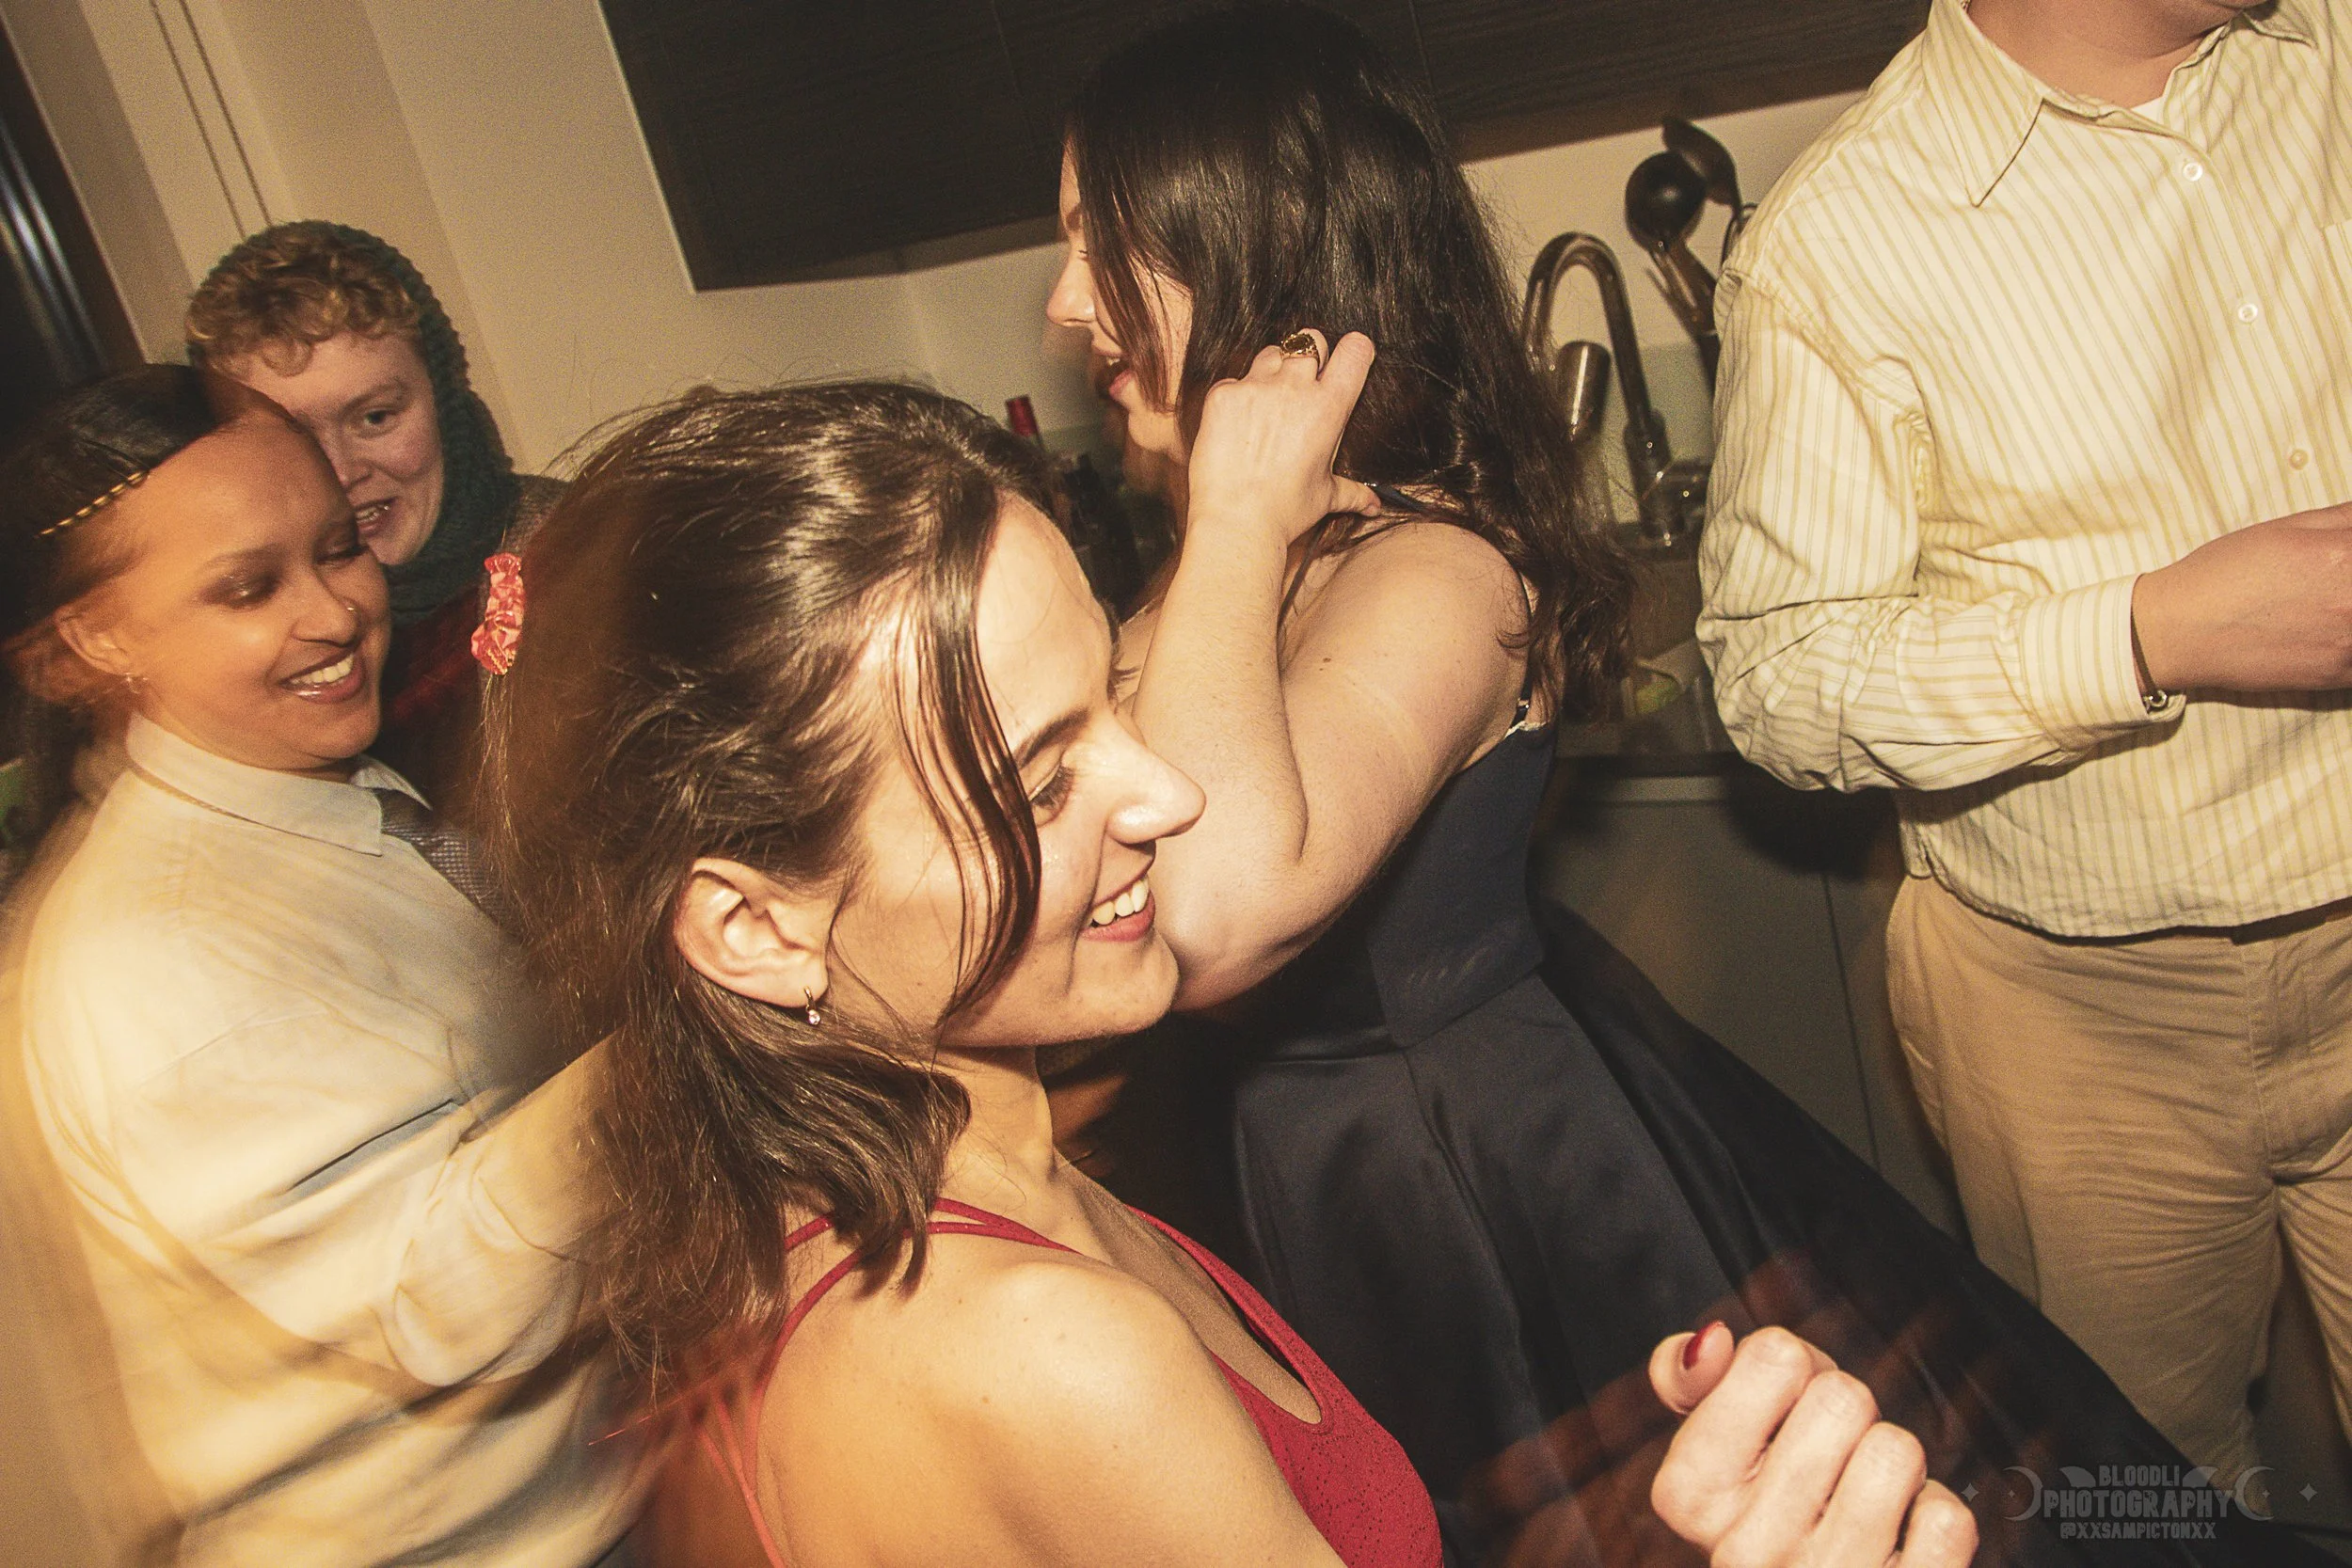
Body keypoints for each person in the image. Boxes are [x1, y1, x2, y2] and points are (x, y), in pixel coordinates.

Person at [1049, 7, 2337, 1564]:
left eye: (1100, 246)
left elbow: (1207, 904)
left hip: (1478, 1194)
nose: (1066, 306)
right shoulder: (1228, 567)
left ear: (1247, 246)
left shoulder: (1424, 568)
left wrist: (1241, 511)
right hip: (1334, 1177)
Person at [470, 379, 1972, 1568]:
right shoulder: (1036, 1343)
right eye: (1043, 783)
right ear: (755, 926)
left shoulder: (935, 1175)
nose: (1167, 794)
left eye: (1111, 703)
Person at [1697, 0, 2352, 1491]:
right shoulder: (1842, 237)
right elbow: (1780, 676)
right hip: (2082, 1028)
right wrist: (2147, 632)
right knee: (2140, 1485)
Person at [0, 365, 633, 1563]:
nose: (334, 611)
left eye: (338, 548)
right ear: (96, 634)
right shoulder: (158, 951)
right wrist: (690, 1029)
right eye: (249, 587)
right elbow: (442, 1302)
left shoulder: (322, 788)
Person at [185, 221, 561, 813]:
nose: (339, 472)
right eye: (293, 438)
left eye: (376, 418)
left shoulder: (585, 557)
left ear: (444, 402)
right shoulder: (240, 649)